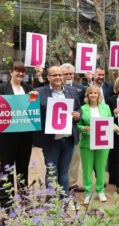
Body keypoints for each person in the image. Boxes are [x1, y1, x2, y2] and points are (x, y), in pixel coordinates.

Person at [0, 62, 38, 209]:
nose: (20, 74)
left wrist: (34, 97)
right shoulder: (1, 88)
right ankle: (6, 202)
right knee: (7, 168)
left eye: (23, 72)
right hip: (6, 137)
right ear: (11, 72)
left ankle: (23, 199)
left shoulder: (29, 89)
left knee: (23, 167)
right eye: (17, 71)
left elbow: (32, 109)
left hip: (25, 135)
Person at [33, 66, 81, 196]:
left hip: (68, 139)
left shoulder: (72, 91)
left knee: (65, 171)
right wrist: (31, 98)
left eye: (60, 75)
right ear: (48, 77)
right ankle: (51, 203)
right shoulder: (39, 92)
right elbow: (29, 109)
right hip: (50, 141)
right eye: (54, 75)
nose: (58, 77)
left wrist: (78, 115)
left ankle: (64, 201)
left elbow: (79, 109)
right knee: (52, 172)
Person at [77, 86, 114, 204]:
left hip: (103, 142)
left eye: (96, 93)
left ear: (99, 95)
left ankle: (100, 190)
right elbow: (77, 124)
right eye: (91, 93)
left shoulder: (106, 107)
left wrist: (115, 127)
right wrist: (84, 128)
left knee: (101, 167)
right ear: (87, 95)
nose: (93, 95)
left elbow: (109, 122)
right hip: (87, 142)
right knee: (87, 168)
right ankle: (88, 192)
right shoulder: (82, 108)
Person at [60, 63, 86, 193]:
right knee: (58, 160)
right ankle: (58, 186)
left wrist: (79, 114)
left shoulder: (80, 88)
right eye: (66, 74)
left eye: (70, 73)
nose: (69, 76)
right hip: (57, 130)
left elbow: (82, 107)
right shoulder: (54, 89)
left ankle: (72, 184)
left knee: (75, 158)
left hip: (74, 130)